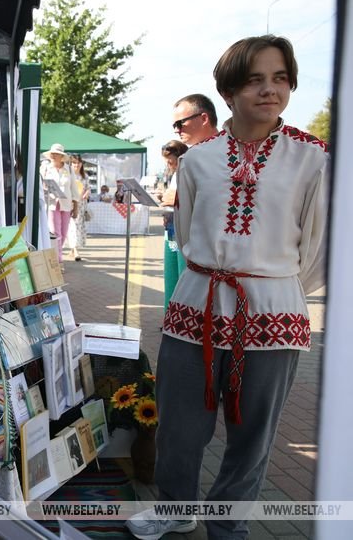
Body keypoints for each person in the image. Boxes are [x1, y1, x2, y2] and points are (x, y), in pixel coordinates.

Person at [127, 36, 328, 540]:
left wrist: (272, 288)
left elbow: (320, 247)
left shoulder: (315, 159)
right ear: (230, 90)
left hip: (273, 311)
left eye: (279, 78)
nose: (269, 90)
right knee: (179, 425)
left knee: (252, 435)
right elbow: (191, 233)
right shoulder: (198, 160)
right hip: (197, 304)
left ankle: (227, 525)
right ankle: (176, 509)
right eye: (255, 79)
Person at [158, 140, 188, 311]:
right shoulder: (175, 174)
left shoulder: (187, 172)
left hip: (182, 229)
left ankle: (179, 315)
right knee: (170, 274)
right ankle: (169, 315)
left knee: (181, 274)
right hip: (171, 226)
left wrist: (174, 200)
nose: (169, 165)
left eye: (171, 161)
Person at [39, 144, 78, 263]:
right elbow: (40, 184)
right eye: (52, 153)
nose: (53, 155)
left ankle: (58, 256)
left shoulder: (69, 169)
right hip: (51, 203)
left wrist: (76, 206)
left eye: (56, 153)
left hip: (66, 204)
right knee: (56, 232)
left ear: (61, 156)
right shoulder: (45, 168)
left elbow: (74, 189)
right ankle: (58, 259)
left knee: (64, 232)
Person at [66, 155, 91, 261]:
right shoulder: (68, 175)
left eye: (78, 163)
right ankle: (74, 250)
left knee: (77, 226)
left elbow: (88, 188)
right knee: (71, 227)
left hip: (81, 205)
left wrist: (87, 193)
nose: (76, 165)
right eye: (74, 163)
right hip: (69, 204)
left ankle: (73, 249)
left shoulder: (85, 176)